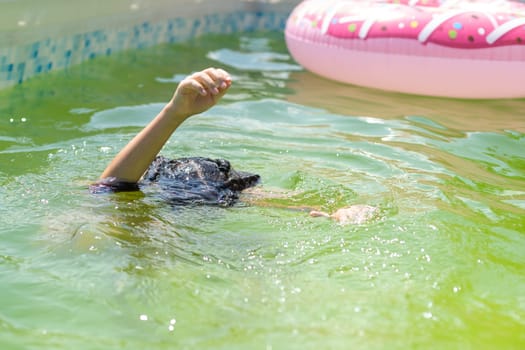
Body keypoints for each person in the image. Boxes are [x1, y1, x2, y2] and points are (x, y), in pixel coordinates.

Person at [93, 67, 378, 224]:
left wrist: (175, 113)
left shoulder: (173, 186)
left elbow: (109, 187)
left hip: (182, 192)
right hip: (182, 192)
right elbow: (110, 186)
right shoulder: (165, 185)